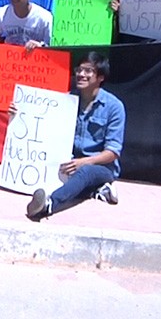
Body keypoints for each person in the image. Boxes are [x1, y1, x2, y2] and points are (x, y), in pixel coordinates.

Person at [25, 51, 126, 220]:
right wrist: (17, 113)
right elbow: (42, 123)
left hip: (100, 167)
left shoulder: (114, 107)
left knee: (85, 172)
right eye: (79, 69)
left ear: (100, 77)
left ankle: (48, 205)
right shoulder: (67, 100)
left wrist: (83, 162)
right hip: (71, 161)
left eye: (88, 71)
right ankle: (97, 190)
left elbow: (113, 152)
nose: (81, 74)